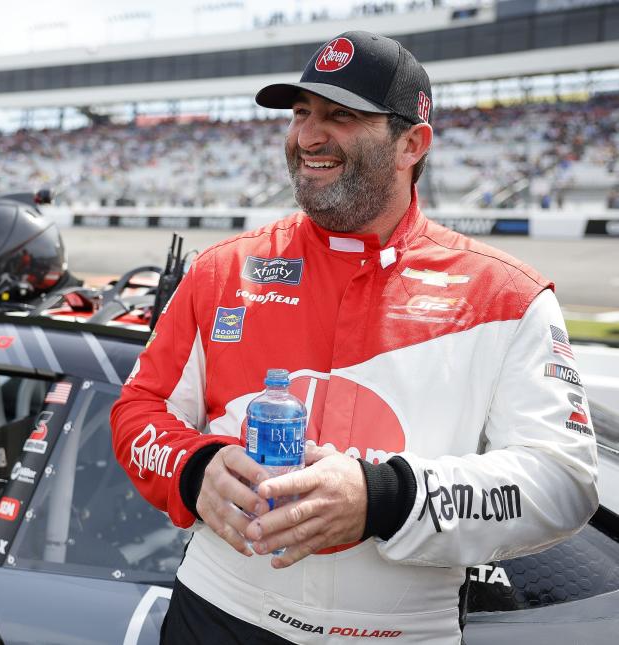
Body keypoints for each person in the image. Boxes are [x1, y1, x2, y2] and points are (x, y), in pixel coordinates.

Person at [110, 31, 598, 644]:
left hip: (396, 631)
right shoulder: (222, 270)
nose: (307, 137)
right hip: (218, 609)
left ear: (411, 144)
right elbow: (140, 410)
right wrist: (195, 468)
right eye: (300, 114)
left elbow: (563, 482)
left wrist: (384, 497)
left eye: (340, 116)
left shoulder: (508, 296)